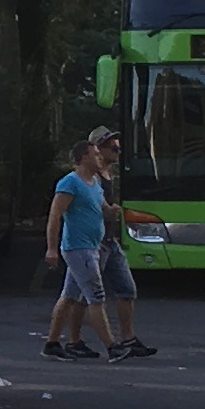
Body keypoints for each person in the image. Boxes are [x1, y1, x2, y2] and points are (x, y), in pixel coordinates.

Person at [86, 128, 156, 358]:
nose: (118, 152)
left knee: (127, 290)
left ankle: (129, 339)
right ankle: (70, 341)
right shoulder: (91, 176)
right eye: (113, 148)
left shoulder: (108, 173)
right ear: (98, 149)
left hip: (111, 240)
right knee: (79, 297)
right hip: (96, 242)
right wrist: (108, 211)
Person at [42, 137, 113, 359]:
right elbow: (55, 216)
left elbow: (102, 208)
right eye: (96, 155)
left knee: (69, 296)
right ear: (84, 157)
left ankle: (52, 344)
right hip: (77, 249)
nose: (100, 158)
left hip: (92, 247)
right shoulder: (69, 183)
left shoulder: (95, 183)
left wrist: (112, 211)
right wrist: (51, 248)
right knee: (96, 297)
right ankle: (112, 347)